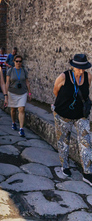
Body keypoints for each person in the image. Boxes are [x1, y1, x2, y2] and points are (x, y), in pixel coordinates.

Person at [53, 54, 92, 185]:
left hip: (81, 115)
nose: (81, 71)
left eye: (84, 68)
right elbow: (55, 91)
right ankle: (65, 166)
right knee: (64, 141)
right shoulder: (63, 77)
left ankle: (87, 173)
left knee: (86, 142)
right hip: (63, 114)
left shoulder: (88, 77)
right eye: (79, 68)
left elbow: (85, 94)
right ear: (73, 66)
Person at [5, 55, 31, 137]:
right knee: (13, 110)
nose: (18, 63)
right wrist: (6, 95)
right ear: (14, 62)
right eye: (17, 61)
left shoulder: (24, 71)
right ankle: (13, 122)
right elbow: (7, 83)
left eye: (20, 61)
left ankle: (21, 129)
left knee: (21, 109)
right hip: (12, 92)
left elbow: (27, 82)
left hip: (22, 92)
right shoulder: (10, 70)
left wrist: (29, 93)